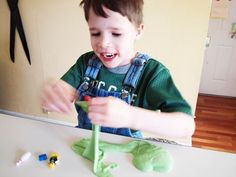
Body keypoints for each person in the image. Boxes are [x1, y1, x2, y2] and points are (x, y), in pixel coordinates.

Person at [41, 0, 195, 139]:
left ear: (138, 31)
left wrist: (131, 116)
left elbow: (187, 126)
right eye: (95, 33)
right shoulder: (86, 63)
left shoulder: (152, 74)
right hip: (85, 144)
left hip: (126, 154)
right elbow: (59, 95)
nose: (103, 42)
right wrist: (53, 94)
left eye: (116, 33)